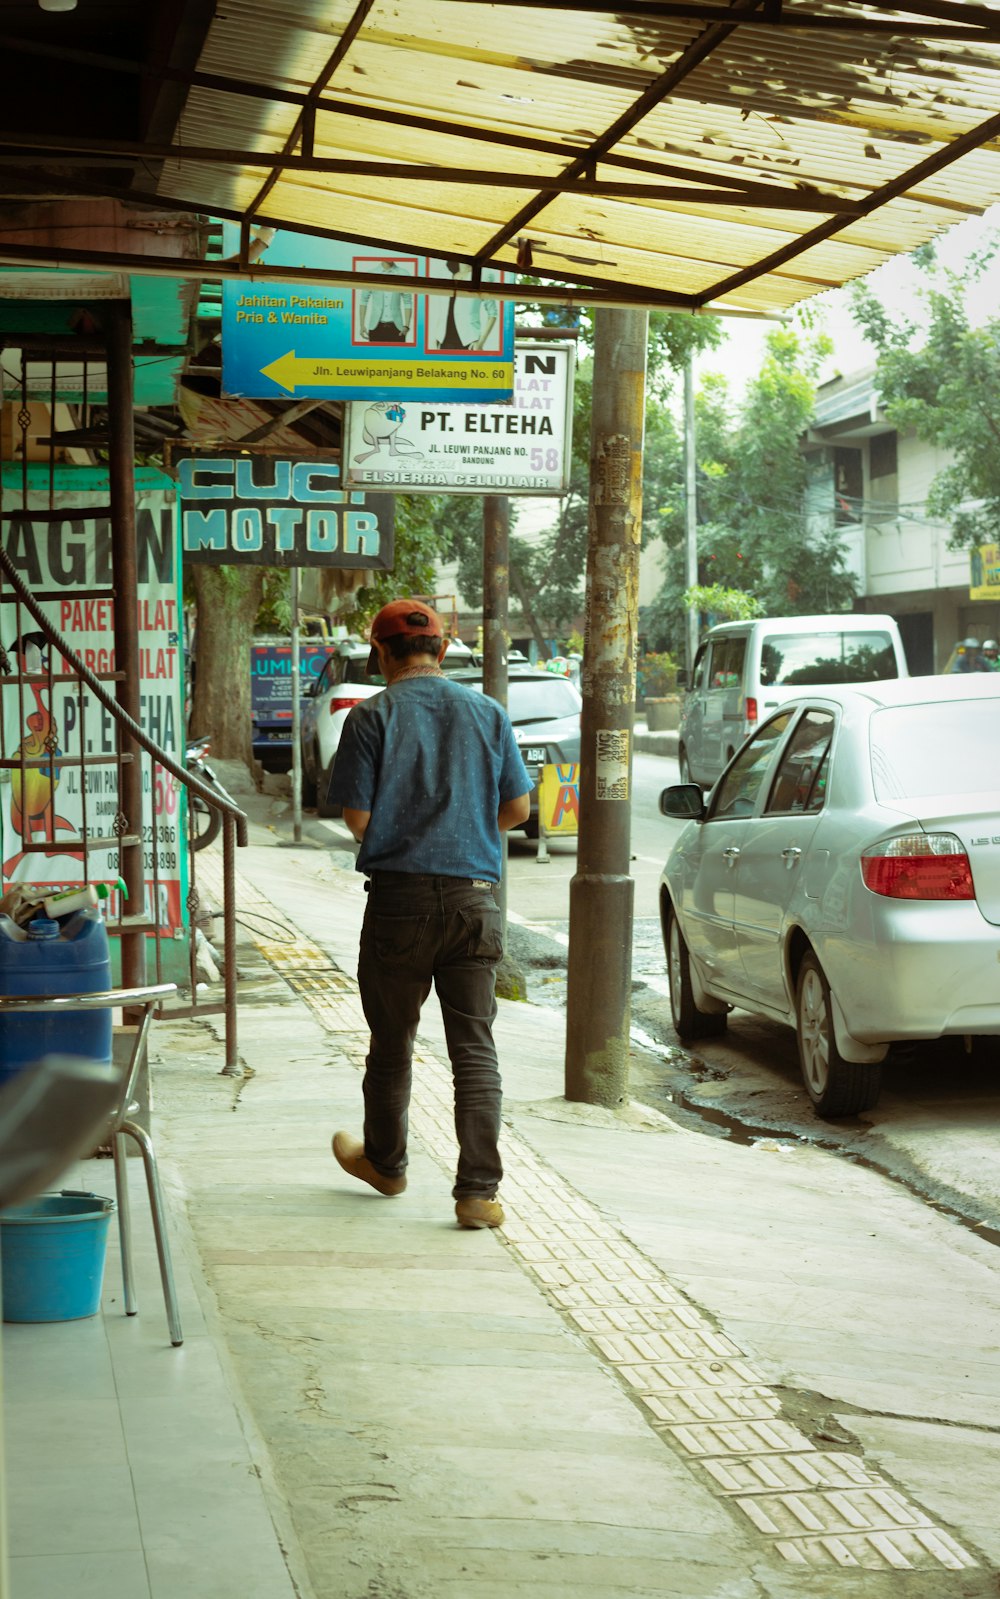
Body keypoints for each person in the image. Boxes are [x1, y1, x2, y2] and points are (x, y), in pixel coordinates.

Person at [327, 599, 532, 1230]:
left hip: (400, 903)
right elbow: (518, 810)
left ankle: (386, 1164)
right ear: (442, 651)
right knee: (475, 1049)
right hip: (474, 900)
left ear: (380, 654)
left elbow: (357, 819)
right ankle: (477, 1192)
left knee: (392, 1045)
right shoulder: (489, 714)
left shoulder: (370, 716)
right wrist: (464, 831)